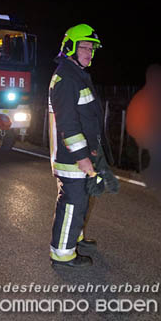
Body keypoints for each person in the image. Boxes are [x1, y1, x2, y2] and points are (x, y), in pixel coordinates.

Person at [48, 24, 111, 268]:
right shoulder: (66, 78)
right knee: (72, 201)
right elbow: (68, 123)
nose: (90, 52)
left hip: (82, 154)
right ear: (70, 48)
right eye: (85, 47)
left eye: (92, 48)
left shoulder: (76, 74)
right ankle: (63, 254)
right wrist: (82, 158)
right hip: (72, 157)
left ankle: (76, 238)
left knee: (81, 200)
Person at [126, 64, 161, 202]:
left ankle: (149, 175)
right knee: (160, 160)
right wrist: (139, 135)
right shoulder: (143, 95)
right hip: (152, 136)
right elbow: (133, 116)